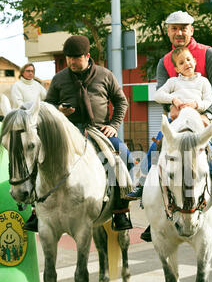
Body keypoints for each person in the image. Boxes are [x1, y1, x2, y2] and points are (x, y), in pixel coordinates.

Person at [131, 11, 212, 240]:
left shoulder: (208, 54)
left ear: (191, 30)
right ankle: (153, 215)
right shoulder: (165, 62)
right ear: (168, 31)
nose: (179, 32)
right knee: (155, 158)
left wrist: (209, 114)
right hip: (180, 119)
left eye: (183, 28)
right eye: (174, 28)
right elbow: (163, 93)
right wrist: (170, 109)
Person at [24, 35, 133, 232]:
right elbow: (47, 108)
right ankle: (35, 209)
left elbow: (121, 102)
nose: (72, 62)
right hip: (66, 131)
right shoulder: (58, 79)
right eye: (69, 58)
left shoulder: (105, 75)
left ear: (87, 56)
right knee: (37, 156)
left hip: (98, 130)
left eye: (77, 58)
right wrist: (59, 111)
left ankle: (121, 211)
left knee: (125, 156)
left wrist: (114, 125)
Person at [127, 45, 212, 202]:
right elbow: (158, 94)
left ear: (194, 61)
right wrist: (173, 99)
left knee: (208, 148)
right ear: (176, 68)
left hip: (196, 120)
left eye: (188, 59)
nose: (186, 63)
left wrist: (196, 105)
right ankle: (142, 183)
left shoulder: (204, 82)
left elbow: (209, 100)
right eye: (181, 63)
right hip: (176, 121)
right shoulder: (173, 81)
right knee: (155, 146)